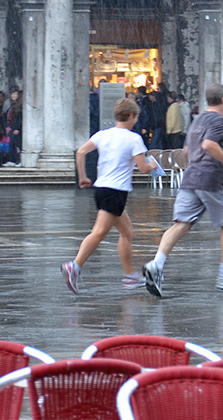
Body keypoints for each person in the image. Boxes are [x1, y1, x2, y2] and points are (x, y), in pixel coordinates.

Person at [141, 83, 223, 297]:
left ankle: (157, 264)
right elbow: (208, 145)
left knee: (181, 224)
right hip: (211, 178)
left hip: (191, 177)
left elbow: (187, 150)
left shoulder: (197, 120)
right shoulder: (218, 120)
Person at [62, 97, 157, 295]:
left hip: (102, 188)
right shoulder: (133, 139)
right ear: (131, 116)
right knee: (99, 232)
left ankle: (130, 275)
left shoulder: (103, 135)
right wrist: (153, 166)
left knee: (127, 232)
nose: (136, 120)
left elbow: (81, 152)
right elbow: (143, 168)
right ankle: (74, 266)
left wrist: (83, 177)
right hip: (116, 191)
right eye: (136, 117)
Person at [3, 87, 23, 165]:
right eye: (12, 94)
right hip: (12, 127)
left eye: (15, 94)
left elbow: (20, 118)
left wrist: (17, 128)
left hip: (17, 128)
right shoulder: (12, 105)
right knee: (11, 144)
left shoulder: (20, 105)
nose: (13, 96)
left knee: (18, 145)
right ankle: (12, 160)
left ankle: (19, 160)